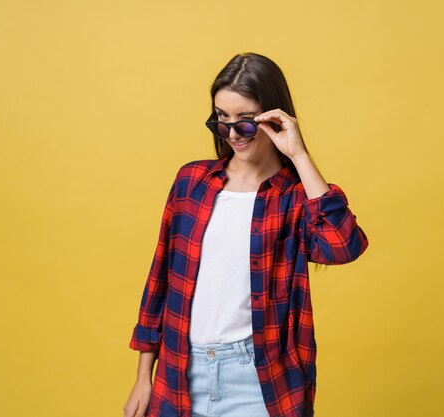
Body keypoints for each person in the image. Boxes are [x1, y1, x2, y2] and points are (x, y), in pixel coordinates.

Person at [123, 52, 369, 417]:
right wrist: (144, 376)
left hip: (258, 382)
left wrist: (299, 155)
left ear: (274, 119)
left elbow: (342, 245)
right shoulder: (192, 182)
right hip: (179, 375)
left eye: (246, 122)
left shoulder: (294, 198)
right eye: (222, 119)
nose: (233, 134)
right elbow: (159, 280)